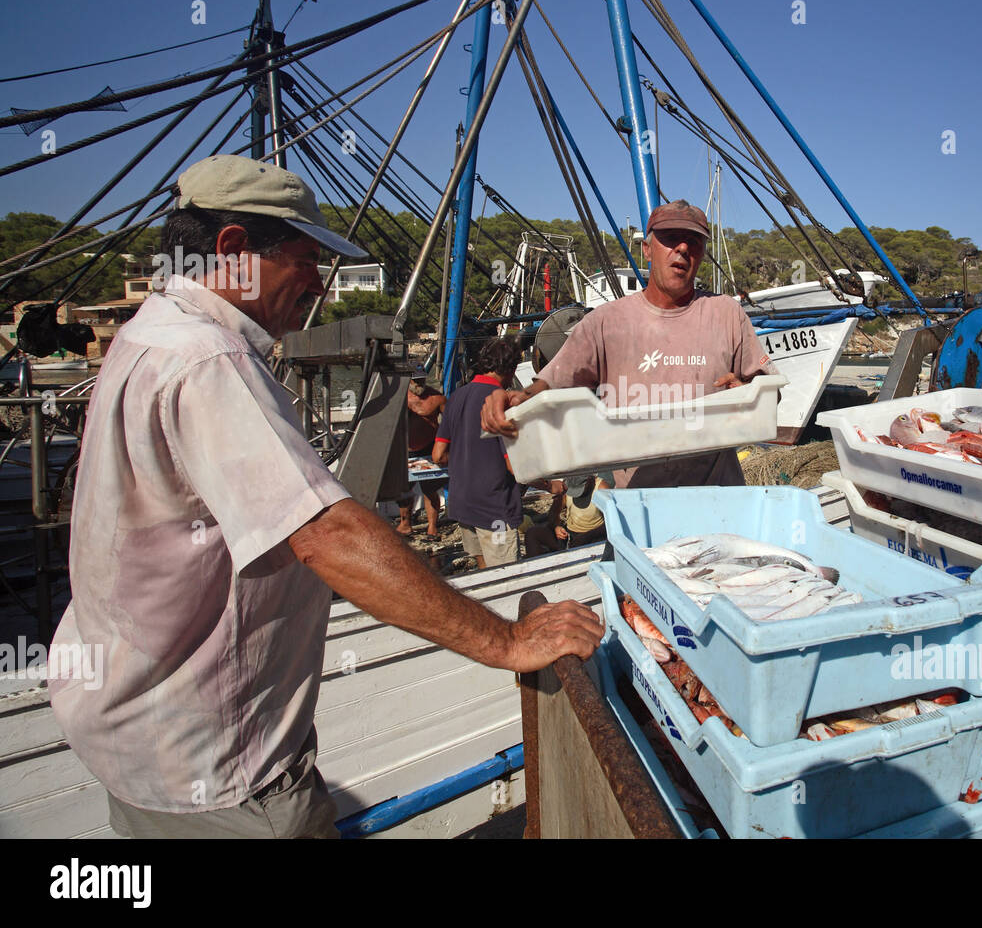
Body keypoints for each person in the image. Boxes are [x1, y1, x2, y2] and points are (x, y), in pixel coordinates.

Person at [47, 154, 602, 839]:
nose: (317, 282)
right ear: (233, 250)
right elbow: (326, 534)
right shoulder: (208, 360)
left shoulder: (146, 337)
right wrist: (507, 640)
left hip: (143, 746)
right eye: (305, 259)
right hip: (218, 776)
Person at [480, 200, 773, 488]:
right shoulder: (605, 322)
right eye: (670, 238)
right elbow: (548, 387)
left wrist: (746, 393)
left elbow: (770, 394)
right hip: (640, 506)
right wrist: (511, 398)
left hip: (720, 499)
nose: (683, 248)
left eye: (694, 241)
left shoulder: (727, 312)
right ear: (647, 249)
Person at [431, 336, 526, 569]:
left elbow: (438, 455)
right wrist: (550, 484)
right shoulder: (503, 405)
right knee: (506, 580)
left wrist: (469, 458)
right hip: (495, 509)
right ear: (512, 369)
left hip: (463, 504)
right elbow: (515, 466)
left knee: (484, 575)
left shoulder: (456, 398)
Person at [396, 380, 446, 537]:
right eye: (415, 381)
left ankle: (432, 527)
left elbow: (451, 422)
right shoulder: (399, 397)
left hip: (429, 447)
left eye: (421, 380)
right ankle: (405, 524)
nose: (418, 384)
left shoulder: (437, 399)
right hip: (405, 450)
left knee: (430, 490)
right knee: (404, 490)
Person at [524, 471, 614, 556]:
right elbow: (554, 512)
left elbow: (612, 523)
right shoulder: (567, 486)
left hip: (593, 536)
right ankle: (539, 567)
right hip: (569, 535)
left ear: (590, 480)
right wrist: (556, 526)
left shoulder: (601, 488)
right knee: (532, 534)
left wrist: (587, 536)